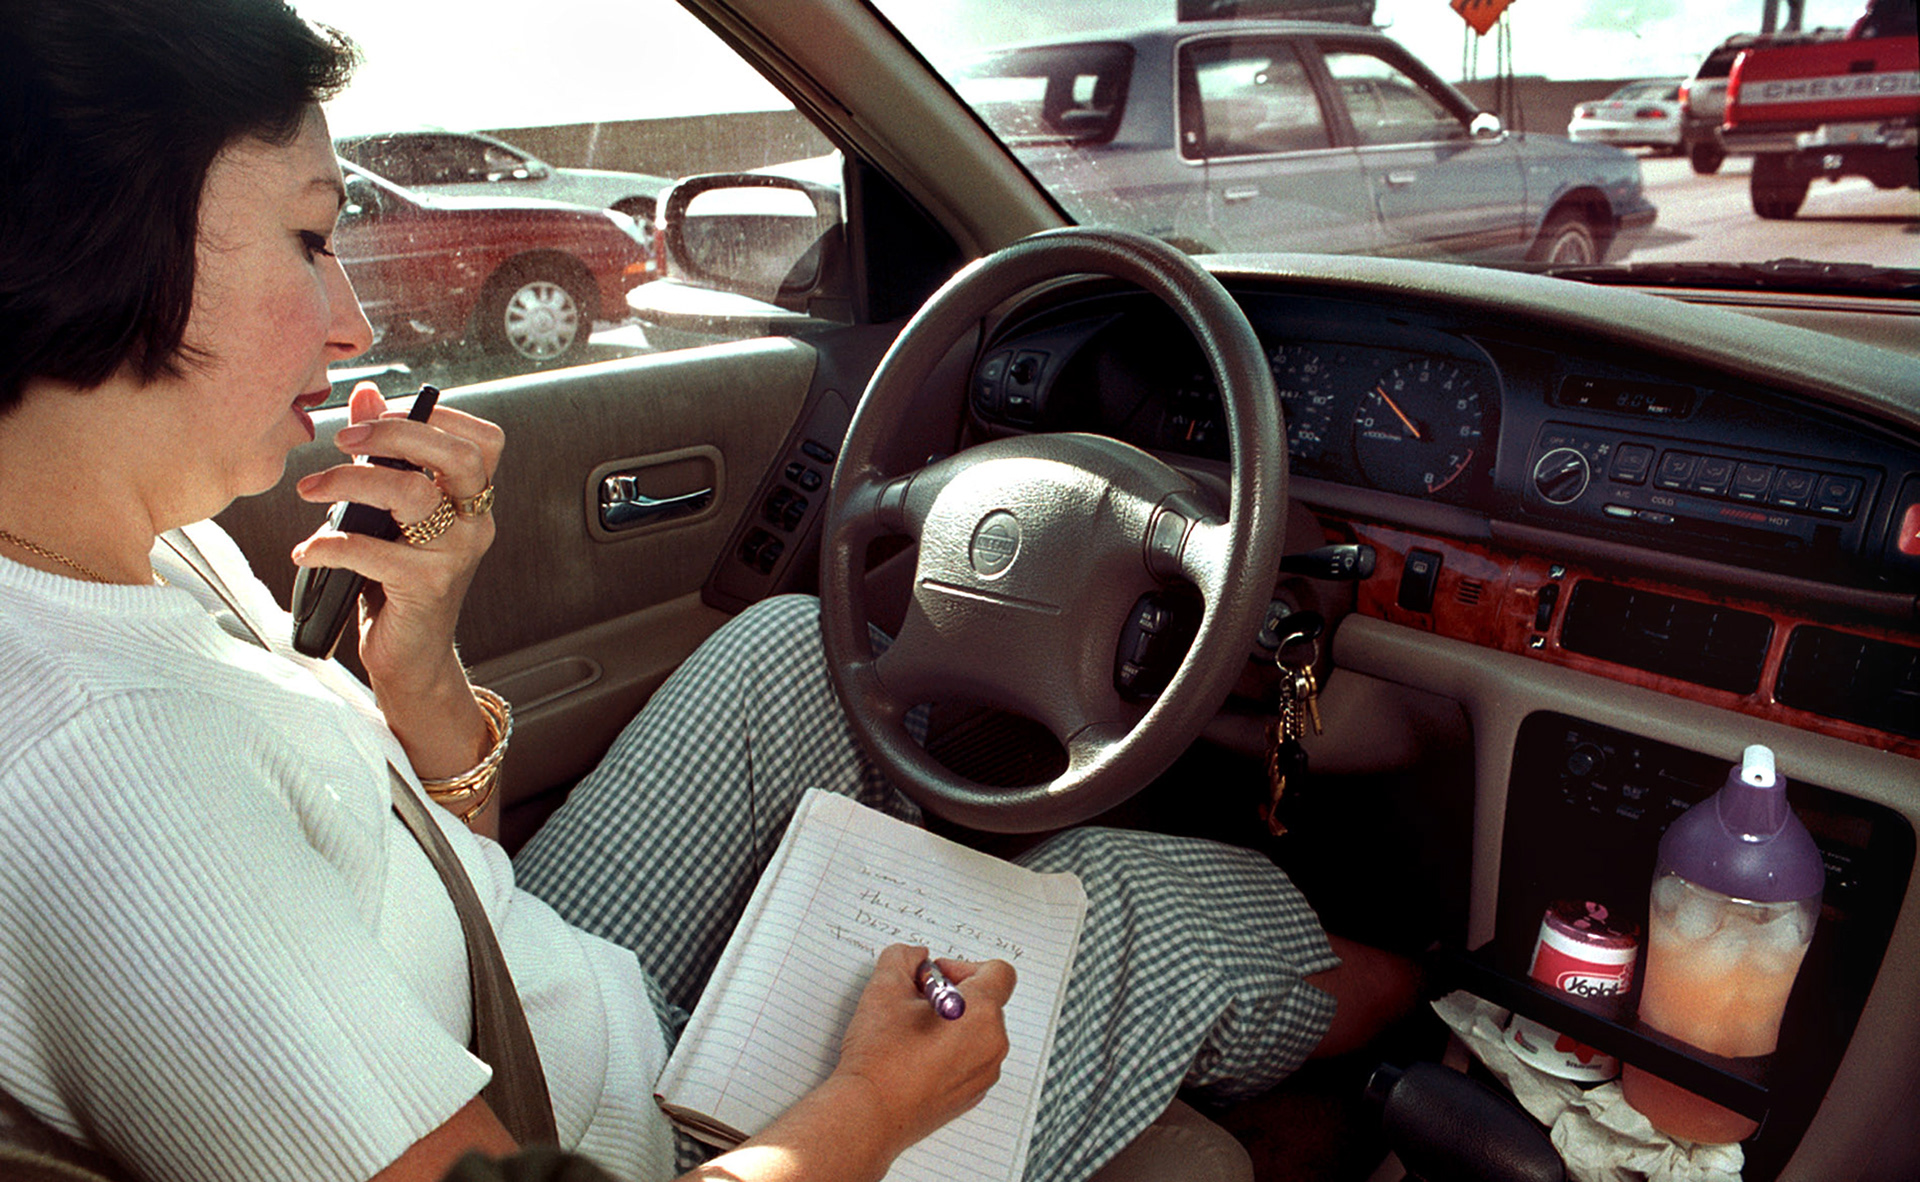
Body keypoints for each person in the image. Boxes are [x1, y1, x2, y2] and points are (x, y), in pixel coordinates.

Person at [0, 2, 1419, 1181]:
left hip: (521, 999)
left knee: (792, 649)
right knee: (1134, 905)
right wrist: (869, 1103)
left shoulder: (123, 541)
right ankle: (1474, 1039)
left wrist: (418, 665)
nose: (357, 318)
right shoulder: (115, 780)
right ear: (108, 243)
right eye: (314, 238)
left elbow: (410, 872)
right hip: (606, 1141)